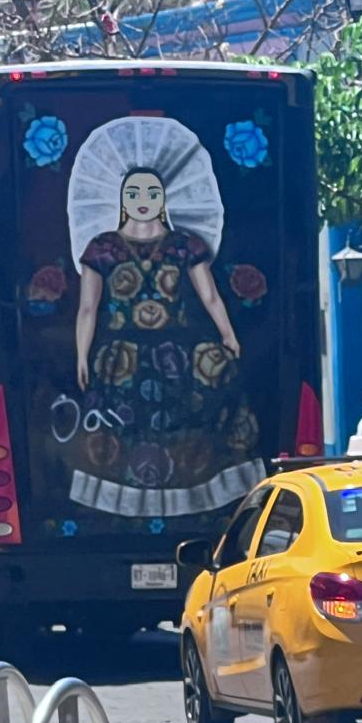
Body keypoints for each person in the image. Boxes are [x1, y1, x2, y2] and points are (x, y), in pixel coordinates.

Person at [70, 166, 261, 516]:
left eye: (152, 193)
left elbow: (210, 296)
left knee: (194, 420)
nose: (143, 200)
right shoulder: (102, 248)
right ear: (122, 200)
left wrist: (228, 335)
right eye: (134, 193)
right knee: (123, 429)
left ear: (163, 199)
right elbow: (87, 308)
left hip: (178, 356)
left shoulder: (184, 246)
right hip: (122, 356)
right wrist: (82, 355)